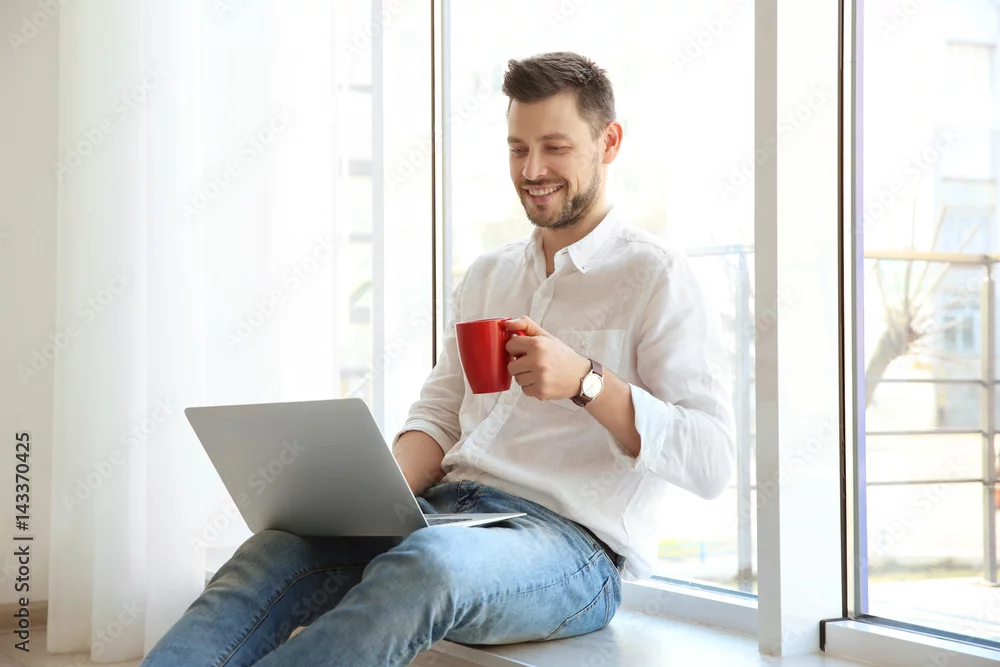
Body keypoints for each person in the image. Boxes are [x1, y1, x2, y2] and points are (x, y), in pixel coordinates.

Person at [140, 51, 735, 667]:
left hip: (568, 549)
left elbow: (711, 459)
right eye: (517, 149)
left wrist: (586, 382)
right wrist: (375, 497)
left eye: (555, 147)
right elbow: (441, 414)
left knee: (427, 565)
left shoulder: (656, 276)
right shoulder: (489, 274)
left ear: (608, 143)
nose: (532, 170)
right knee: (275, 548)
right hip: (447, 516)